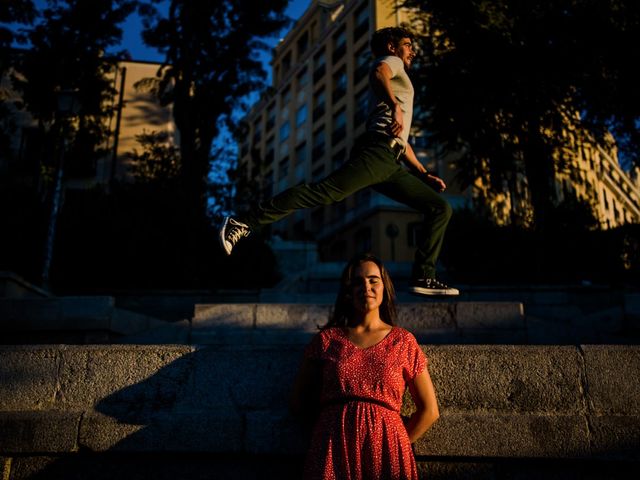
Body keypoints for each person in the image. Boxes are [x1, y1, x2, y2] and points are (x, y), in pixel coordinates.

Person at [220, 27, 458, 296]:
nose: (412, 50)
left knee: (439, 208)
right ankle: (244, 222)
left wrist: (423, 174)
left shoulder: (400, 77)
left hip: (391, 160)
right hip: (377, 152)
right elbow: (378, 71)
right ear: (392, 47)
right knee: (324, 193)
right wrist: (394, 106)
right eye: (407, 44)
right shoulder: (393, 63)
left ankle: (424, 277)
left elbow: (401, 142)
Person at [290, 253, 440, 479]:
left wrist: (394, 441)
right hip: (332, 450)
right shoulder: (327, 340)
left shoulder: (403, 341)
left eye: (373, 280)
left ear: (384, 287)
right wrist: (328, 432)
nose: (366, 287)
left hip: (388, 453)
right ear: (348, 291)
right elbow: (299, 401)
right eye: (357, 281)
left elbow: (430, 410)